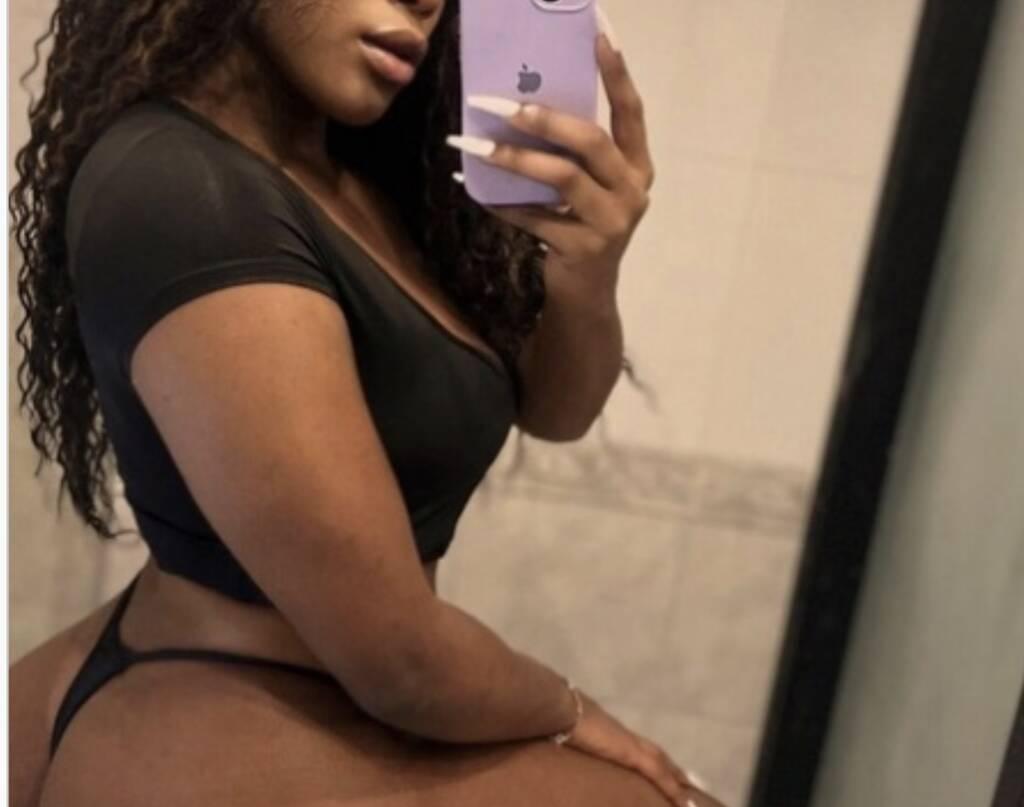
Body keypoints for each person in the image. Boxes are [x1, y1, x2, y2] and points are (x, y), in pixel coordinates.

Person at [9, 2, 724, 806]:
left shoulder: (353, 181)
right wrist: (571, 710)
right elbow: (401, 659)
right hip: (206, 702)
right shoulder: (182, 186)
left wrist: (588, 274)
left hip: (300, 701)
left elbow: (555, 411)